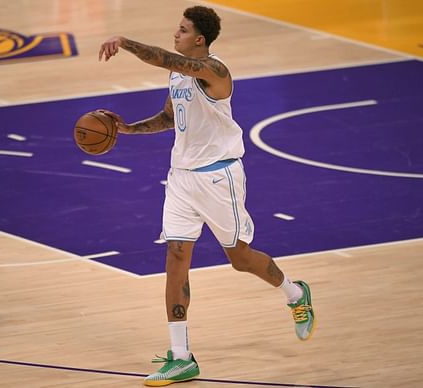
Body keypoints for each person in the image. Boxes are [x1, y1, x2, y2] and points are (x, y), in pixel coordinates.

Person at [99, 6, 315, 386]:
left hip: (219, 177)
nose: (175, 35)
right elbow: (170, 117)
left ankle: (295, 293)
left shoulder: (215, 72)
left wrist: (125, 42)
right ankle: (181, 357)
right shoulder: (178, 74)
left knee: (241, 258)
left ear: (199, 39)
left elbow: (163, 57)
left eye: (182, 31)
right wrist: (130, 130)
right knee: (176, 257)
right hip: (181, 177)